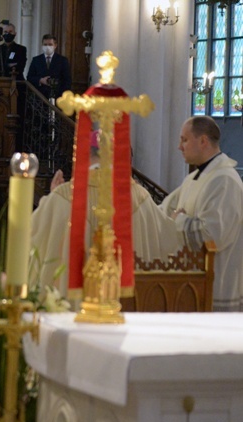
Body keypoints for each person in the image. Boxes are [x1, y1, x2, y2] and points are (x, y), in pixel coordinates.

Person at [31, 130, 182, 297]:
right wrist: (174, 220)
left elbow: (32, 239)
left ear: (82, 156)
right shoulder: (139, 196)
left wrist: (52, 198)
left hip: (73, 310)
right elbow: (166, 239)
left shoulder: (63, 196)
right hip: (124, 307)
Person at [160, 116, 243, 312]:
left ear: (203, 141)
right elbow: (164, 210)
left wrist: (179, 219)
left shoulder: (224, 181)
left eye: (184, 140)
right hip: (193, 284)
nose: (180, 146)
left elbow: (213, 236)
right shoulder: (195, 178)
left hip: (217, 289)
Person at [27, 34, 72, 101]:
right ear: (42, 45)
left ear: (55, 45)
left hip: (58, 97)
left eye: (50, 44)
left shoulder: (62, 60)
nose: (47, 47)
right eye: (45, 44)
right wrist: (40, 80)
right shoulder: (36, 60)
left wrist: (62, 95)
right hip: (40, 97)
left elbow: (67, 80)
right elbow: (29, 77)